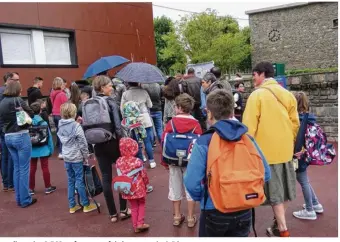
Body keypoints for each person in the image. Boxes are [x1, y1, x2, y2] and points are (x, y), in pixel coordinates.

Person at [184, 89, 270, 237]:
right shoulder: (247, 139)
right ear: (232, 112)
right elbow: (266, 173)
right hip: (244, 207)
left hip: (214, 209)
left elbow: (191, 182)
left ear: (209, 113)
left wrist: (206, 196)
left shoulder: (204, 141)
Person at [242, 61, 300, 237]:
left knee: (274, 194)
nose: (253, 78)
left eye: (254, 75)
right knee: (285, 191)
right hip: (285, 150)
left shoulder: (257, 95)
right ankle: (277, 224)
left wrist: (246, 150)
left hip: (266, 152)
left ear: (261, 74)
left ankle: (282, 229)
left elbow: (248, 128)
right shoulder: (287, 95)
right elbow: (295, 124)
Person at [91, 76, 131, 222]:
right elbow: (118, 126)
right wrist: (122, 141)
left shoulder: (89, 103)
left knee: (106, 177)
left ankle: (112, 214)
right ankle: (123, 209)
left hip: (98, 144)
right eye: (109, 86)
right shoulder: (110, 102)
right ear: (102, 87)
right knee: (121, 173)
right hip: (113, 142)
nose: (111, 88)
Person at [161, 93, 202, 228]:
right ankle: (191, 217)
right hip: (190, 162)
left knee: (174, 187)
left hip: (173, 160)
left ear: (178, 107)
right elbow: (200, 145)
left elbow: (163, 142)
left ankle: (177, 216)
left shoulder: (171, 123)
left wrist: (165, 162)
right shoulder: (196, 124)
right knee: (190, 188)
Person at [0, 81, 36, 207]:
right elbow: (31, 113)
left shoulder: (2, 102)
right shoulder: (18, 100)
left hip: (7, 137)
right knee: (24, 168)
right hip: (21, 135)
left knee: (17, 168)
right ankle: (25, 199)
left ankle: (19, 198)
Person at [57, 102, 98, 214]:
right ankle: (85, 204)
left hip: (67, 156)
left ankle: (72, 205)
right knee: (80, 180)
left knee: (71, 181)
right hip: (77, 157)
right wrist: (86, 156)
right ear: (73, 113)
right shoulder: (76, 127)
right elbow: (83, 143)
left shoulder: (60, 125)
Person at [292, 91, 323, 220]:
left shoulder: (296, 119)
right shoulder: (309, 117)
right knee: (304, 179)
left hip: (298, 154)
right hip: (306, 153)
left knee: (303, 180)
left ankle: (310, 210)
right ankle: (315, 204)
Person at [115, 137, 150, 233]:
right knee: (141, 203)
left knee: (134, 206)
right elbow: (143, 175)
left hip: (127, 188)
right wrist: (146, 184)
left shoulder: (119, 161)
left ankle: (135, 226)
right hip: (138, 187)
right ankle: (140, 223)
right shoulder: (137, 161)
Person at [120, 82, 156, 169]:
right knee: (147, 141)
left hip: (132, 120)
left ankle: (141, 160)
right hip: (144, 119)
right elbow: (150, 105)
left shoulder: (125, 94)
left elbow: (122, 108)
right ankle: (151, 161)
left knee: (136, 141)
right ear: (138, 83)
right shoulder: (144, 92)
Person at [28, 102, 56, 195]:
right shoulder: (43, 122)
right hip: (43, 148)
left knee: (32, 168)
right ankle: (48, 186)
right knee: (45, 167)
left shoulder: (27, 123)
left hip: (32, 148)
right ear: (40, 110)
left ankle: (31, 188)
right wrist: (51, 149)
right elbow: (49, 138)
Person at [0, 72, 19, 192]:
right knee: (11, 155)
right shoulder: (8, 94)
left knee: (5, 155)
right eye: (16, 80)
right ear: (9, 80)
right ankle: (11, 183)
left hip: (2, 127)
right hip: (9, 127)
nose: (18, 82)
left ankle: (6, 183)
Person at [50, 77, 69, 159]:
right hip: (61, 115)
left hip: (54, 114)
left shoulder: (52, 93)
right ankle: (62, 151)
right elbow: (66, 106)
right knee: (64, 134)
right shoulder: (62, 94)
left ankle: (60, 150)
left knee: (59, 132)